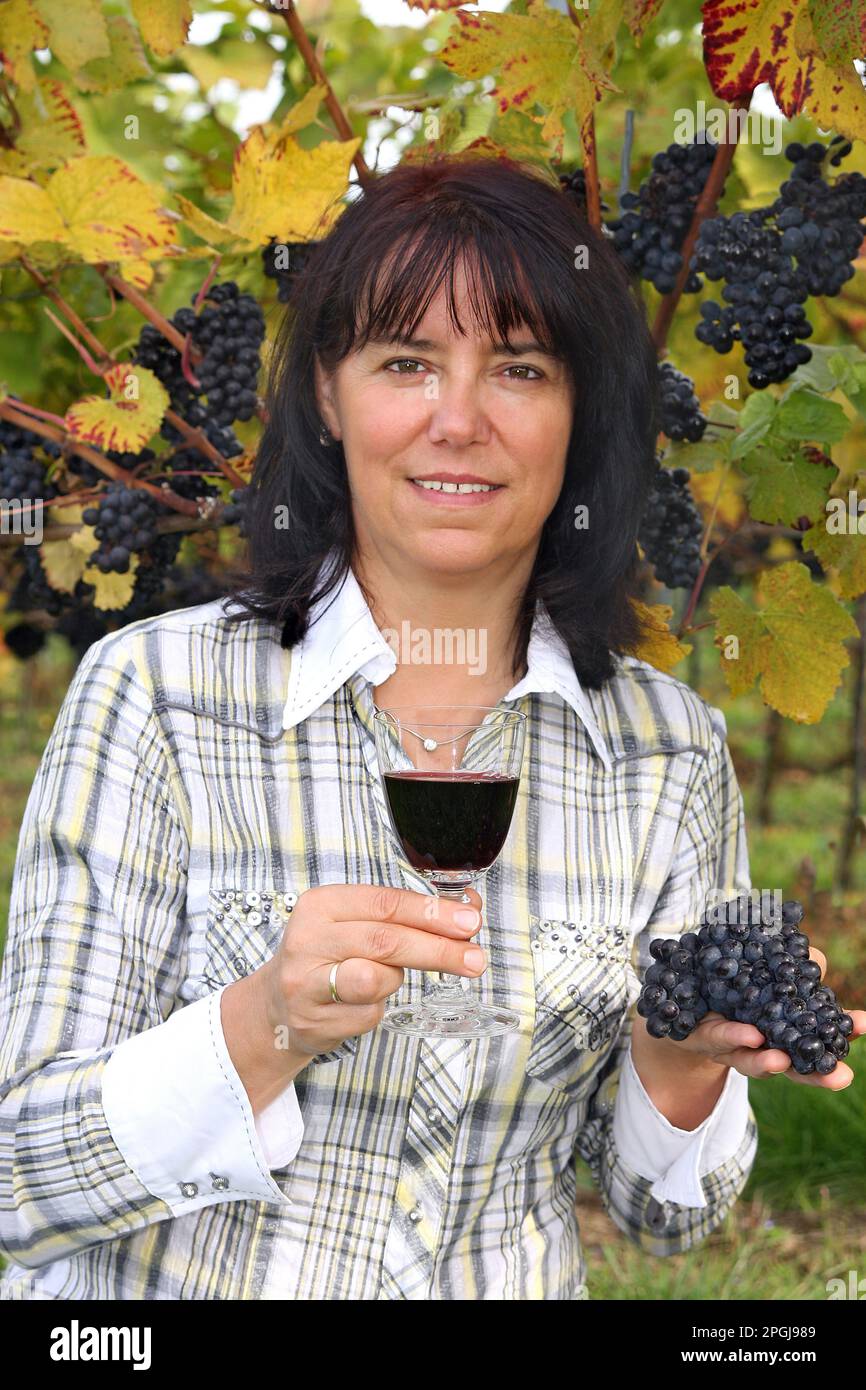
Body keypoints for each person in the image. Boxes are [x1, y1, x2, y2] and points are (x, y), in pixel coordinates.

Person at [1, 155, 861, 1302]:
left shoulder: (665, 752)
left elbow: (672, 1219)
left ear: (577, 408)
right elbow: (18, 1176)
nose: (456, 421)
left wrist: (676, 1050)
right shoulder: (153, 696)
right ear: (325, 394)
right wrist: (261, 1025)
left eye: (516, 368)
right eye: (405, 363)